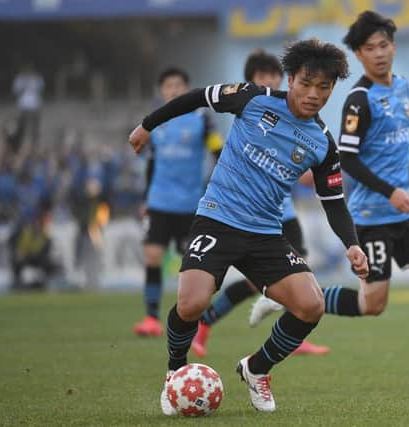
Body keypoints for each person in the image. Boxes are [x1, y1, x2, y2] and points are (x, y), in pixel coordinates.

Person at [128, 38, 368, 413]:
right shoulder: (253, 98)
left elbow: (334, 203)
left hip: (266, 233)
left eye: (324, 88)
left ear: (333, 89)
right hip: (217, 218)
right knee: (191, 304)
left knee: (310, 305)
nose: (313, 95)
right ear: (291, 79)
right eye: (306, 84)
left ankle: (257, 369)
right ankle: (175, 371)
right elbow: (196, 98)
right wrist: (147, 126)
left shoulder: (323, 143)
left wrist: (351, 244)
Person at [253, 11, 409, 386]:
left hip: (404, 212)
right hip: (372, 215)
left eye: (384, 45)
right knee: (374, 305)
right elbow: (348, 158)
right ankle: (289, 298)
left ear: (393, 47)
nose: (379, 53)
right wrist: (391, 191)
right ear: (358, 55)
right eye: (370, 48)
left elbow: (408, 133)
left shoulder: (400, 86)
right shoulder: (358, 100)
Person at [191, 49, 330, 357]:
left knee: (299, 280)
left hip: (284, 214)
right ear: (251, 81)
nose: (269, 81)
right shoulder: (249, 113)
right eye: (262, 77)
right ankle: (205, 322)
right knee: (261, 283)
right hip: (240, 216)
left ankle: (293, 336)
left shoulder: (301, 120)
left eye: (274, 76)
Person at [132, 68, 222, 337]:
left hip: (192, 203)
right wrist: (148, 197)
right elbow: (151, 161)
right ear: (161, 91)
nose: (173, 90)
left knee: (193, 264)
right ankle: (151, 318)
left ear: (187, 88)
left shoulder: (202, 119)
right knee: (153, 256)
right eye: (168, 86)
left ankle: (191, 317)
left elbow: (218, 151)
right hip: (160, 201)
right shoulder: (155, 122)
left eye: (179, 85)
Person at [12, 64, 44, 147]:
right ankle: (19, 143)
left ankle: (35, 144)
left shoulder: (37, 78)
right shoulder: (19, 79)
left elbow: (41, 88)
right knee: (22, 126)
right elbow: (16, 91)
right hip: (24, 105)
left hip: (35, 105)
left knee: (35, 127)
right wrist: (24, 83)